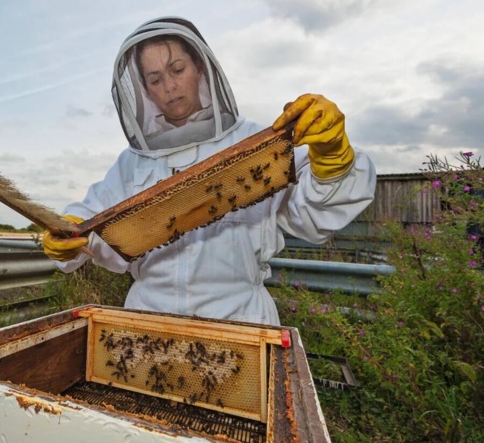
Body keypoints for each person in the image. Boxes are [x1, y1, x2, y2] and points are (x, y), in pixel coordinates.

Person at [42, 17, 376, 326]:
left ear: (199, 68)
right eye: (155, 79)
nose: (169, 86)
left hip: (240, 319)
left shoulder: (256, 141)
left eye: (177, 69)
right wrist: (69, 231)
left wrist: (331, 159)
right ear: (145, 90)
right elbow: (93, 220)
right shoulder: (133, 163)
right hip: (149, 319)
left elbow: (314, 216)